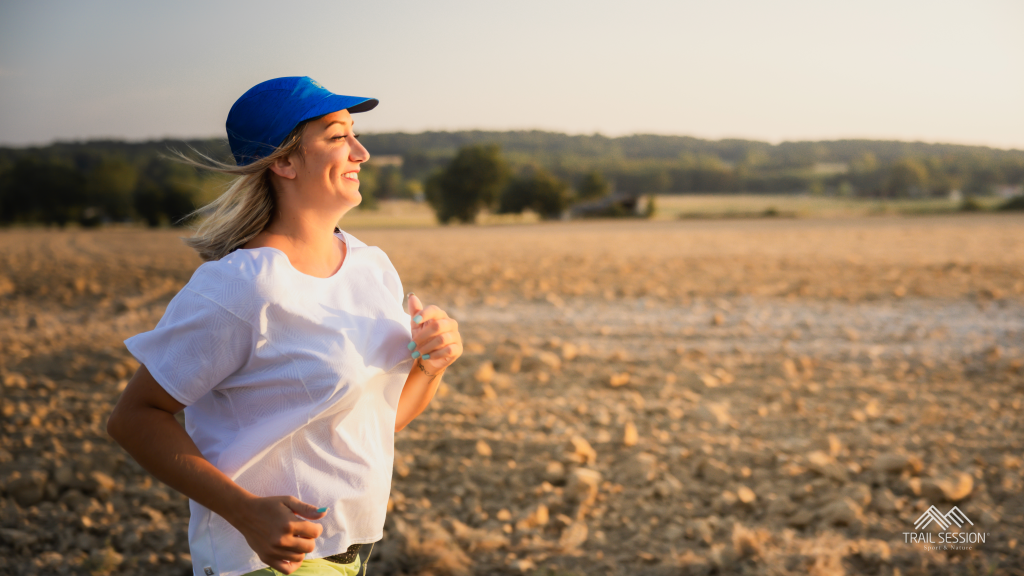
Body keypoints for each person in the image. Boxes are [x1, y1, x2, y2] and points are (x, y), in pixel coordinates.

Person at [106, 76, 463, 576]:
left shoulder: (372, 266)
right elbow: (134, 417)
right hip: (270, 564)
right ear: (284, 161)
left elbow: (375, 424)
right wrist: (244, 512)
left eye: (355, 134)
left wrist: (433, 365)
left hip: (352, 550)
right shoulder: (240, 287)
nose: (361, 152)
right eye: (338, 136)